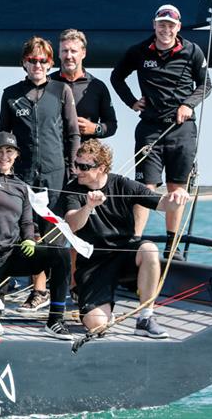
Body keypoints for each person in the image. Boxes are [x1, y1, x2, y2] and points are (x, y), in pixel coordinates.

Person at [62, 139, 190, 338]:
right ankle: (99, 311)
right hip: (95, 263)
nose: (77, 170)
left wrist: (178, 195)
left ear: (101, 168)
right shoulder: (73, 189)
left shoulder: (122, 184)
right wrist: (88, 207)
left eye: (83, 167)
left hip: (125, 254)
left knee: (149, 250)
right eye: (75, 165)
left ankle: (145, 318)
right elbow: (72, 224)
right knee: (96, 325)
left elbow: (165, 205)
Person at [110, 4, 210, 256]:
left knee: (176, 189)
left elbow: (205, 84)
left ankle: (171, 246)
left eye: (171, 25)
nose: (166, 29)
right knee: (145, 188)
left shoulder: (192, 51)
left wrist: (188, 104)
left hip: (182, 129)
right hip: (150, 129)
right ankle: (134, 241)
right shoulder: (140, 51)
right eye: (162, 24)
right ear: (154, 25)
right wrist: (132, 101)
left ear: (178, 27)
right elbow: (116, 77)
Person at [0, 36, 80, 312]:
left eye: (43, 60)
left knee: (54, 231)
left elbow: (72, 133)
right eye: (32, 60)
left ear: (50, 63)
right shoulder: (11, 94)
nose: (37, 65)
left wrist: (72, 168)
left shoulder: (61, 91)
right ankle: (38, 289)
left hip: (55, 173)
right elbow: (2, 136)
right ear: (24, 62)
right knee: (27, 228)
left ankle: (59, 291)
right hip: (22, 174)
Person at [0, 132, 73, 340]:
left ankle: (56, 320)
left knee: (60, 252)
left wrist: (30, 239)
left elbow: (26, 222)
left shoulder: (21, 186)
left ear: (16, 155)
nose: (4, 156)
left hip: (13, 254)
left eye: (9, 151)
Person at [49, 29, 117, 142]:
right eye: (65, 51)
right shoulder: (47, 83)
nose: (69, 56)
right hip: (53, 155)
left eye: (73, 51)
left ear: (83, 53)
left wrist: (94, 128)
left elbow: (112, 125)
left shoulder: (97, 86)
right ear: (59, 53)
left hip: (85, 156)